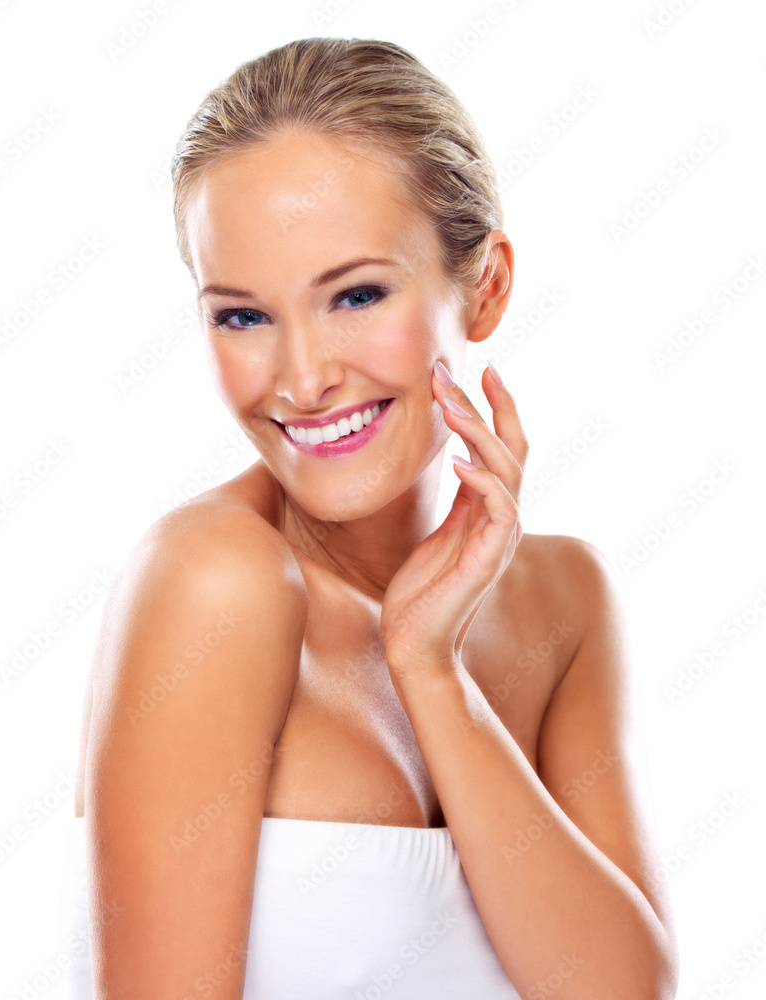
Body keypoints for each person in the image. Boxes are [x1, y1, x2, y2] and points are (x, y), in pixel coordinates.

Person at [68, 36, 679, 999]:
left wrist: (430, 672)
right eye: (242, 315)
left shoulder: (566, 601)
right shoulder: (214, 581)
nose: (304, 378)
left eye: (355, 295)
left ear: (487, 287)